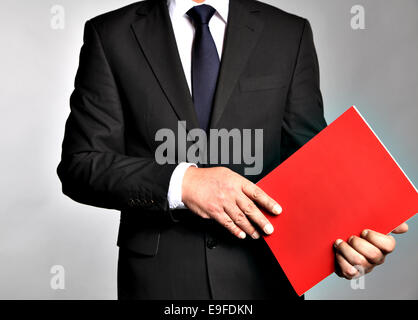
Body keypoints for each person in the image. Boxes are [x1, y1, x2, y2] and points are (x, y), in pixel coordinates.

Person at [57, 0, 408, 299]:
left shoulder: (289, 33)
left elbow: (311, 164)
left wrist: (348, 242)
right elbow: (81, 166)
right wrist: (183, 184)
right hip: (159, 284)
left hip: (267, 280)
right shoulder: (110, 34)